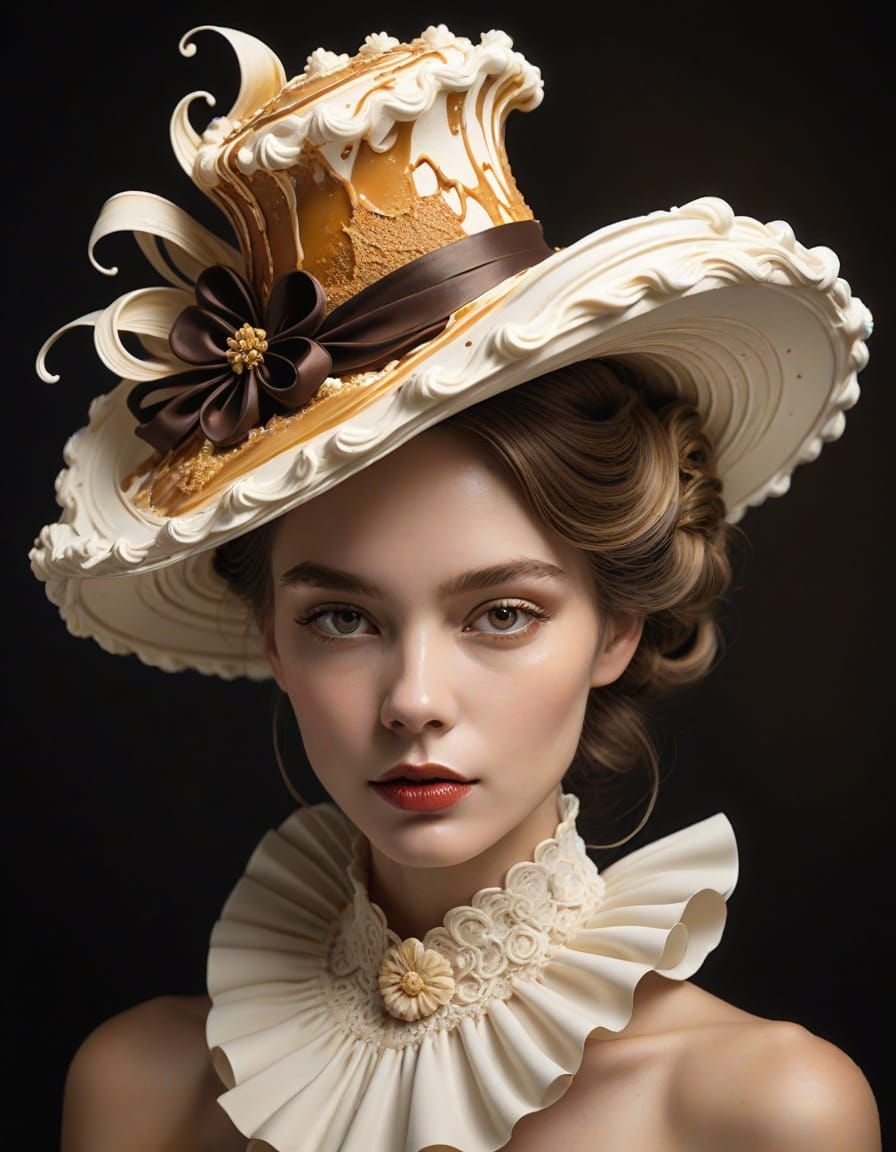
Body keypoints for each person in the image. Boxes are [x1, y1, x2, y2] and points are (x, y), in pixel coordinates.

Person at [30, 22, 880, 1152]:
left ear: (618, 624)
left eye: (501, 614)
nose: (412, 698)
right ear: (270, 638)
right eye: (342, 617)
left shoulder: (760, 1110)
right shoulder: (135, 1090)